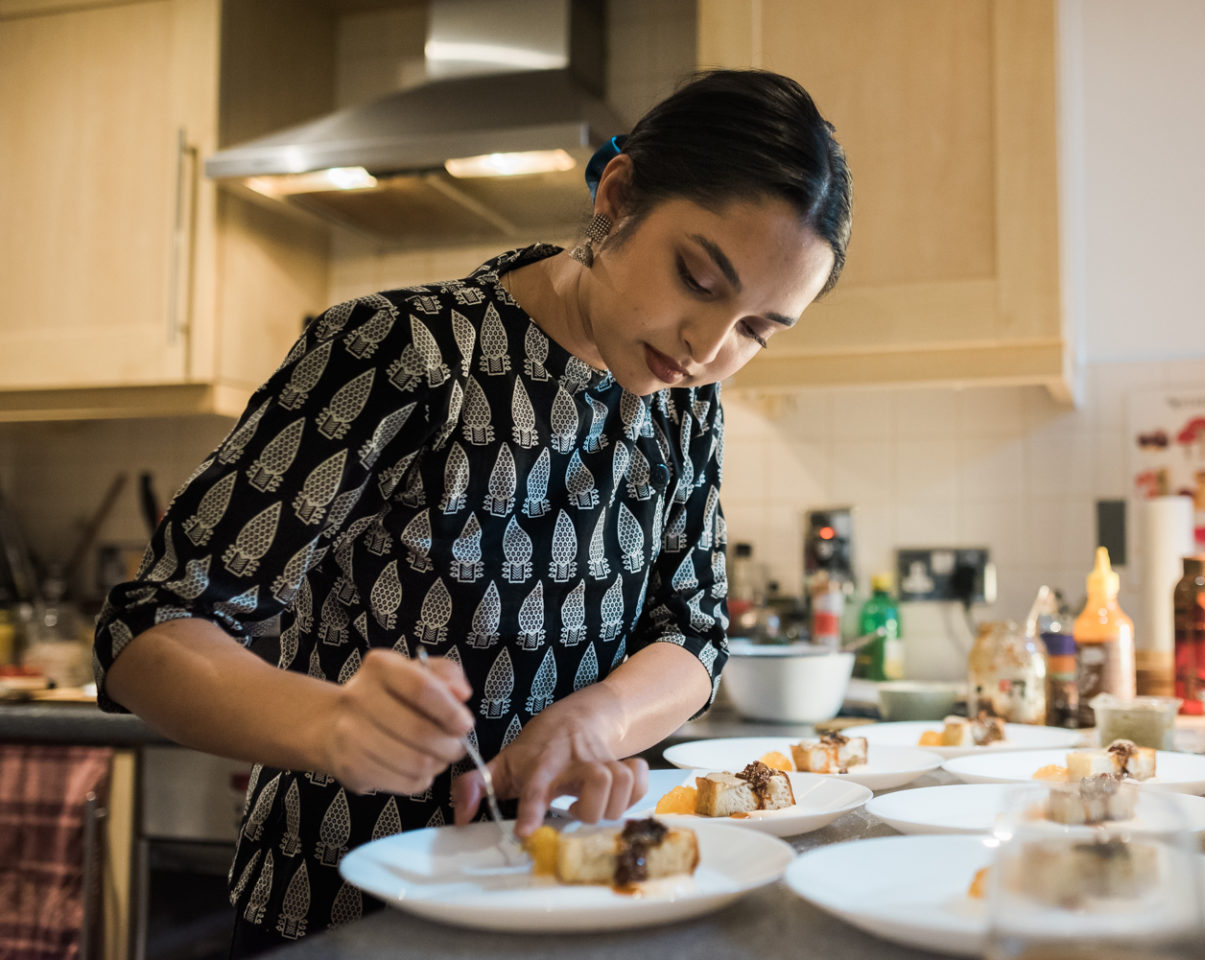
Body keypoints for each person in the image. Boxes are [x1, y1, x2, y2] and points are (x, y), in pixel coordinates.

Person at [92, 68, 851, 954]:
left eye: (758, 330)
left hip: (567, 894)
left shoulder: (686, 403)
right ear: (617, 197)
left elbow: (694, 632)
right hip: (345, 906)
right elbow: (150, 628)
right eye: (696, 277)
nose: (708, 347)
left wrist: (590, 722)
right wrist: (331, 724)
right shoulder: (399, 353)